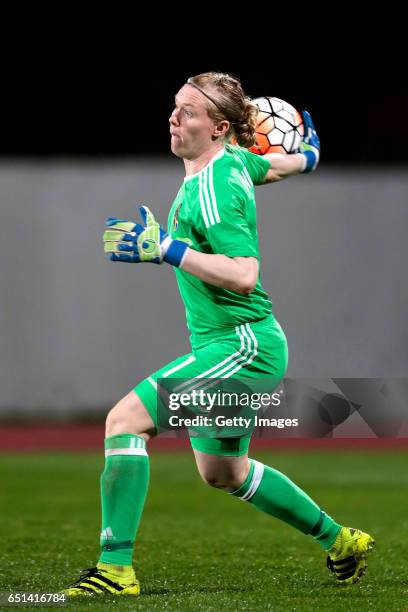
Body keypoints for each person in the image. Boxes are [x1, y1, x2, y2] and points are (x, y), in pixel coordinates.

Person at [64, 72, 374, 597]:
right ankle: (340, 540)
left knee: (124, 421)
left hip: (241, 346)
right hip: (236, 344)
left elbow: (244, 272)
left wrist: (168, 250)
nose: (173, 116)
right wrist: (309, 160)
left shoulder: (214, 189)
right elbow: (269, 164)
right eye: (174, 106)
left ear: (219, 127)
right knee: (224, 474)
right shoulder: (229, 162)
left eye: (187, 111)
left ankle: (114, 571)